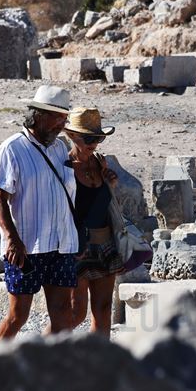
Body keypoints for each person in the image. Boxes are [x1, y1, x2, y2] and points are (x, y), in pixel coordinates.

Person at [0, 85, 79, 340]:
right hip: (27, 247)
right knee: (19, 316)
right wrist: (12, 239)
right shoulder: (12, 149)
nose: (62, 124)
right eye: (57, 117)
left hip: (61, 245)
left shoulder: (60, 148)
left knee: (63, 313)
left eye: (64, 118)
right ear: (38, 115)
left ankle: (51, 374)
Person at [62, 107, 123, 337]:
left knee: (104, 310)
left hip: (105, 243)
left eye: (98, 138)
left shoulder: (100, 163)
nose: (94, 143)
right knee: (76, 313)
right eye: (89, 138)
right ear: (72, 136)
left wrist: (110, 185)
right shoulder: (65, 167)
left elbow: (103, 203)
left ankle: (101, 366)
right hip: (77, 247)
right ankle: (42, 355)